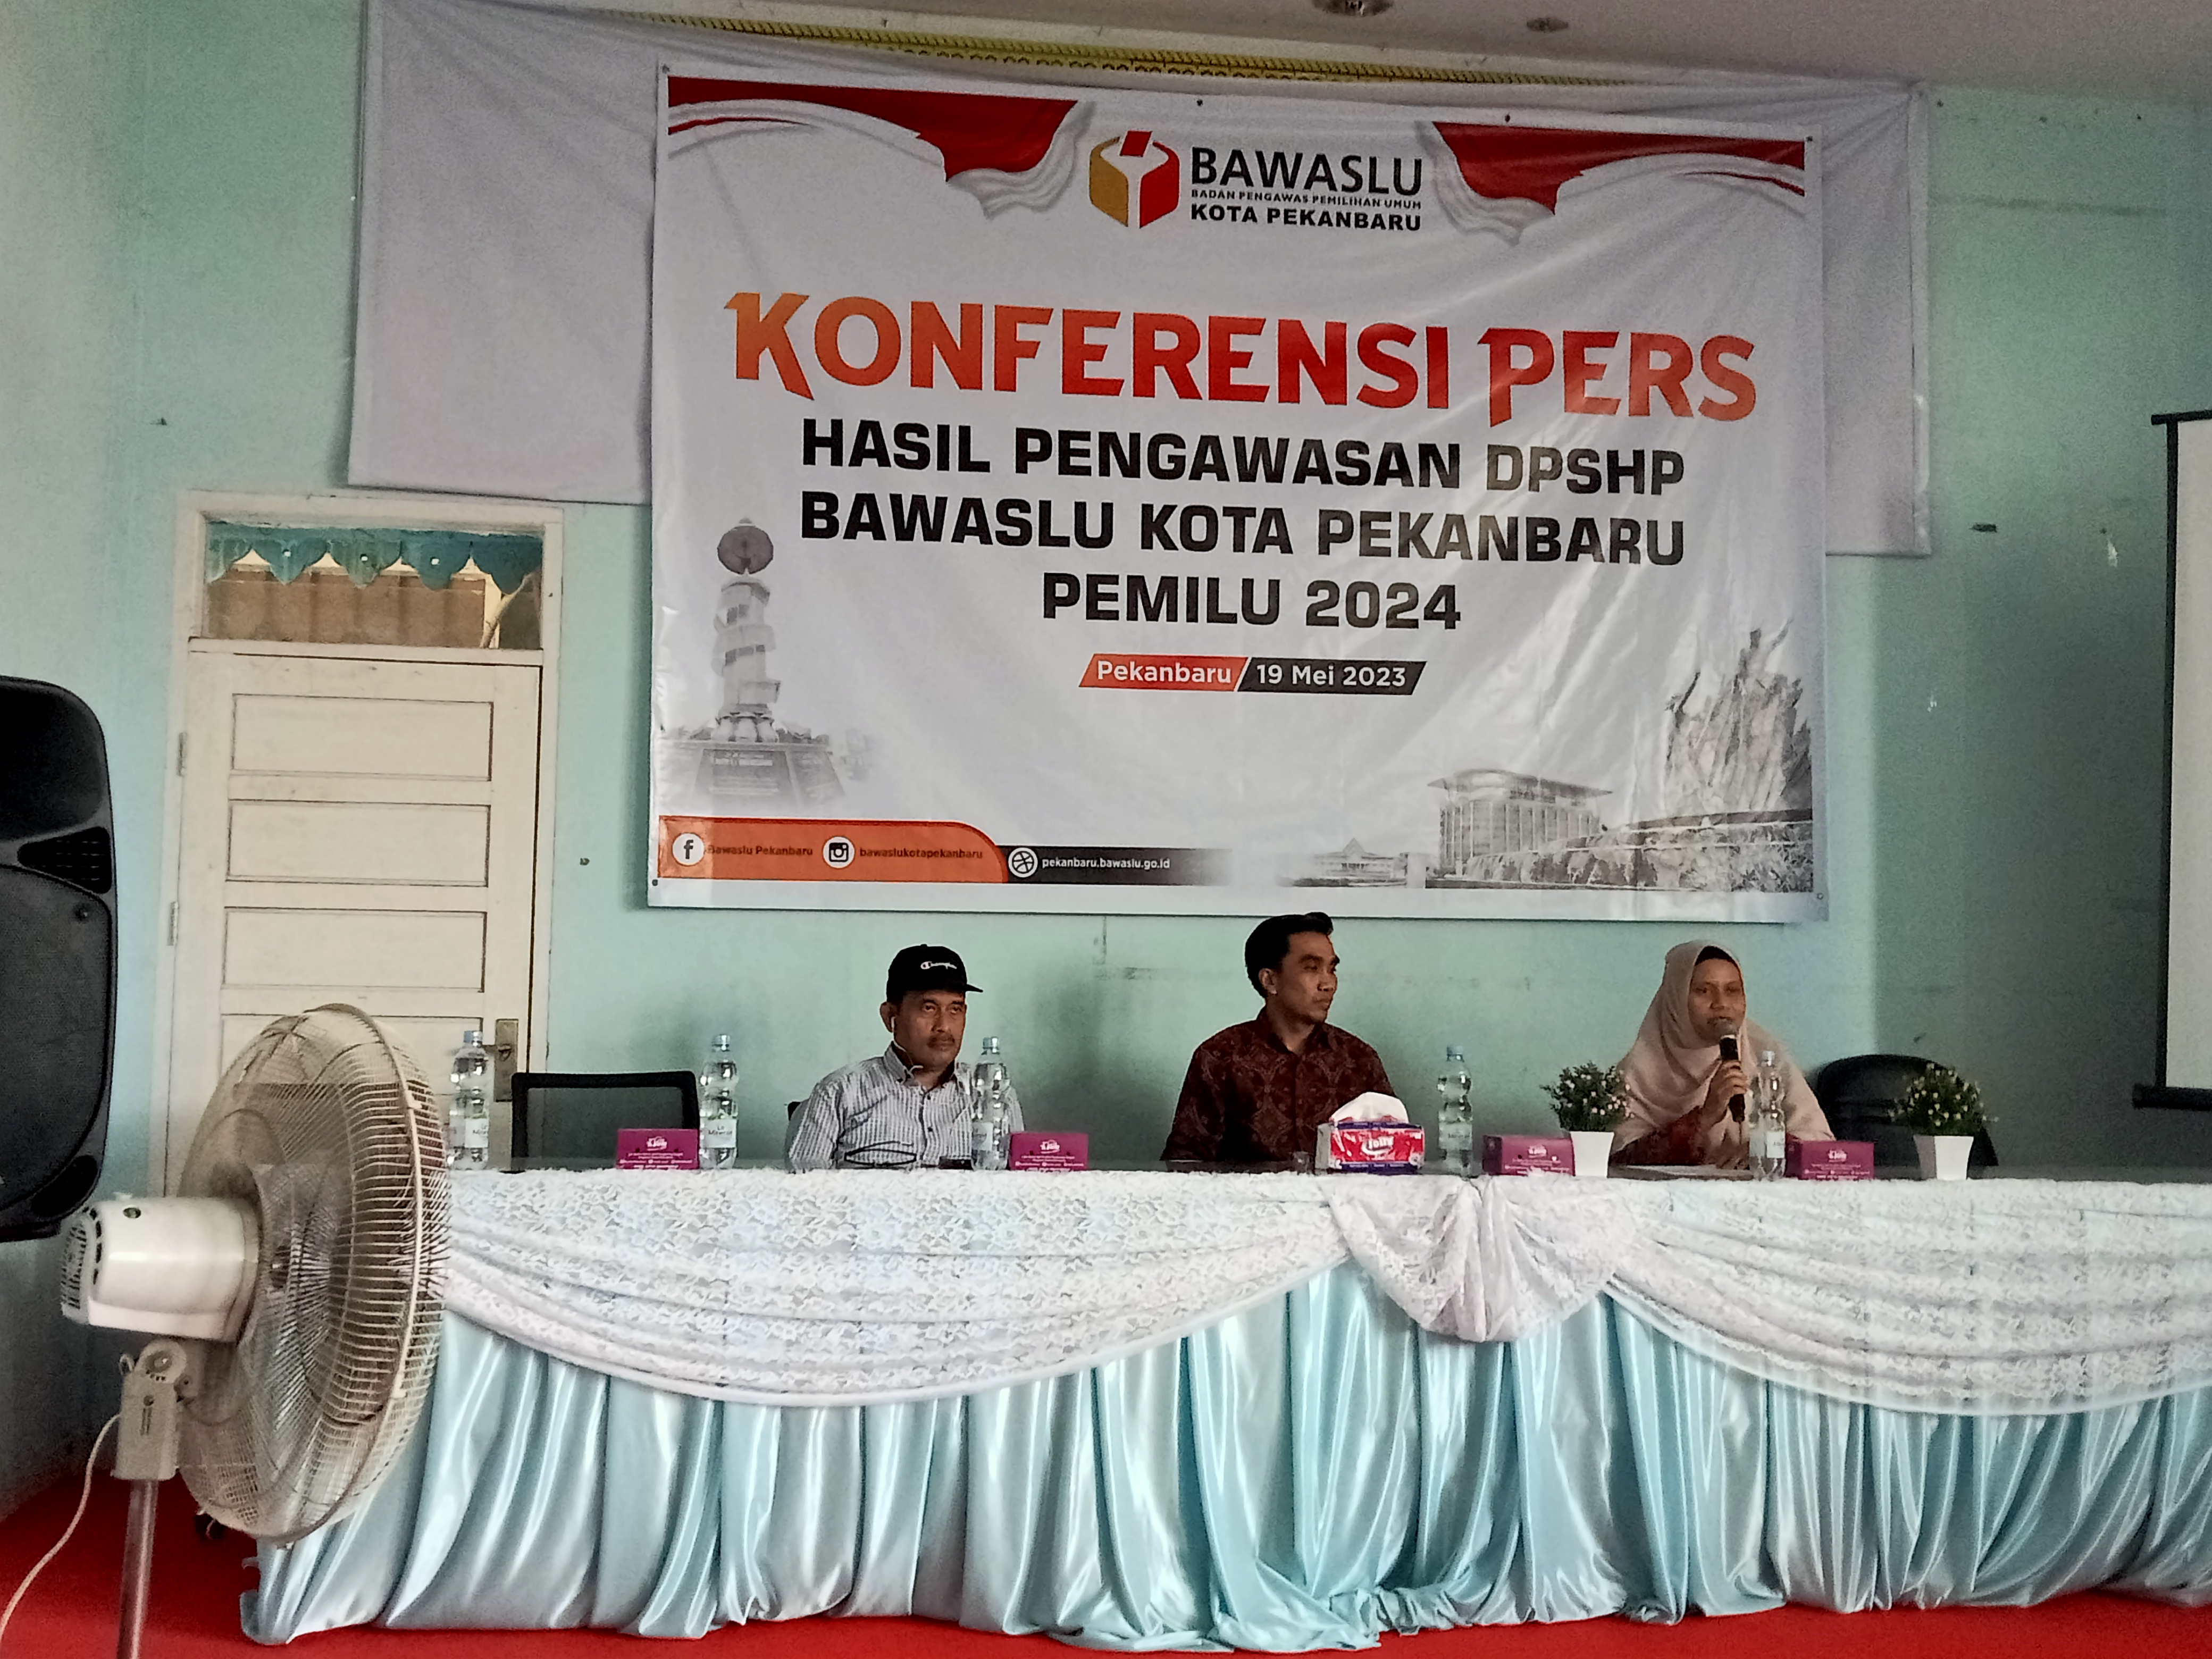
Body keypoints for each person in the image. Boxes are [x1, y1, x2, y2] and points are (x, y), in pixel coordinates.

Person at [1161, 912, 1395, 1166]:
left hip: (1342, 1193)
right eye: (1311, 968)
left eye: (1332, 969)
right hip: (1246, 1193)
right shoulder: (1221, 1057)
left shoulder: (1358, 1059)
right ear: (1270, 980)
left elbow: (1394, 1152)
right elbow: (1186, 1162)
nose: (1328, 984)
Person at [787, 944, 1023, 1170]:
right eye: (928, 1008)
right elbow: (800, 1192)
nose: (944, 1026)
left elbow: (1021, 1187)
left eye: (955, 1009)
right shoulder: (839, 1093)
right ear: (890, 1016)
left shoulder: (994, 1095)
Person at [1613, 940, 1833, 1168]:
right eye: (1704, 991)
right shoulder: (1636, 1073)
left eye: (1732, 990)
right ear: (1675, 1000)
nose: (1721, 1004)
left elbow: (1820, 1142)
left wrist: (1767, 1147)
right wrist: (1706, 1117)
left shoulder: (1766, 1054)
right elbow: (1621, 1161)